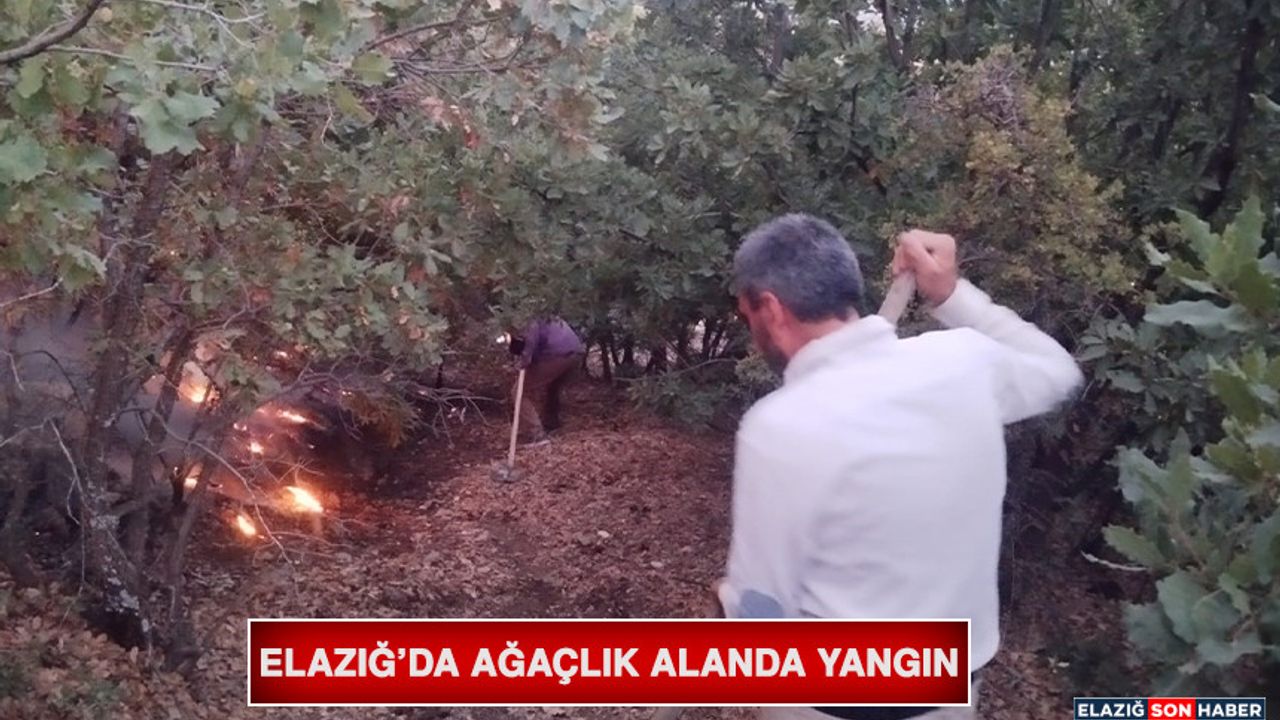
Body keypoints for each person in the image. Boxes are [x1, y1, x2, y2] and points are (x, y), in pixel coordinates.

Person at [721, 215, 1083, 720]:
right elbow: (1058, 371)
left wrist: (734, 611)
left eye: (747, 317)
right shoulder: (965, 363)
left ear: (772, 309)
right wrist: (951, 293)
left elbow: (763, 610)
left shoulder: (779, 427)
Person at [509, 316, 585, 445]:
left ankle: (537, 435)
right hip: (575, 353)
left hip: (558, 355)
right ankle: (551, 423)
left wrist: (524, 360)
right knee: (552, 386)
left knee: (518, 392)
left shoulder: (529, 316)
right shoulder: (547, 312)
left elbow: (531, 338)